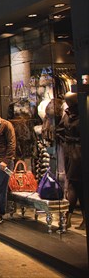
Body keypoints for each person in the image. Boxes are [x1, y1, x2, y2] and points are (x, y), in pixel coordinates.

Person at [57, 92, 84, 229]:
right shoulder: (82, 113)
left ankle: (68, 217)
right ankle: (68, 217)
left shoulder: (67, 115)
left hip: (69, 152)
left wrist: (66, 142)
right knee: (77, 186)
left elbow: (59, 131)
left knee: (76, 186)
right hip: (80, 152)